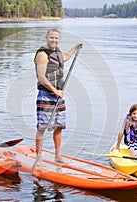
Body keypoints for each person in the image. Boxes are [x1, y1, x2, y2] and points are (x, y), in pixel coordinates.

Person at [34, 28, 83, 163]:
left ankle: (57, 155)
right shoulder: (42, 55)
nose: (54, 40)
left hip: (58, 95)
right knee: (42, 127)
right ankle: (38, 156)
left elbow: (65, 57)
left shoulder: (57, 52)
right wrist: (55, 91)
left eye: (56, 38)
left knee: (59, 126)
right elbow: (42, 78)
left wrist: (76, 48)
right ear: (46, 38)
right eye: (51, 38)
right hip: (46, 95)